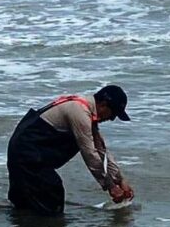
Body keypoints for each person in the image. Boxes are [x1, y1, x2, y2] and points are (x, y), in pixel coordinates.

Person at [7, 85, 135, 215]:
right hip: (25, 154)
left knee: (24, 207)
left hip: (29, 153)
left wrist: (120, 180)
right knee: (51, 196)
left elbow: (101, 151)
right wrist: (110, 186)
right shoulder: (79, 112)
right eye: (113, 113)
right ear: (103, 104)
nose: (112, 119)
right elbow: (90, 154)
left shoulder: (87, 112)